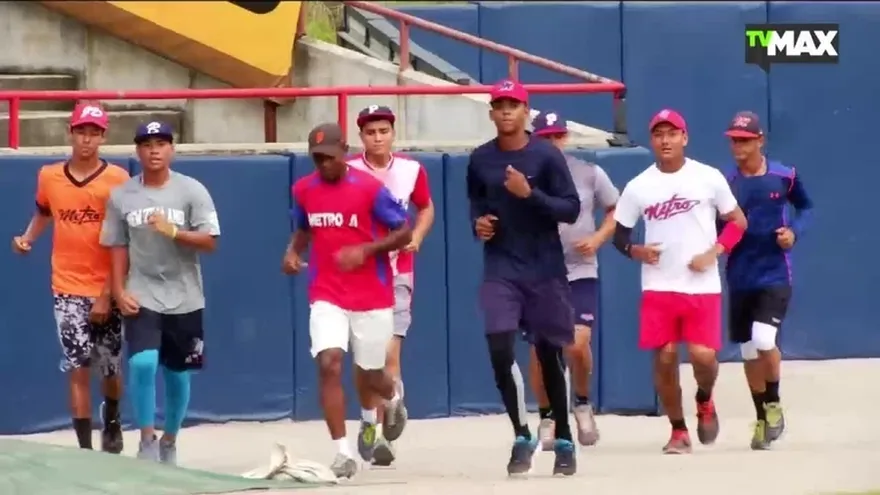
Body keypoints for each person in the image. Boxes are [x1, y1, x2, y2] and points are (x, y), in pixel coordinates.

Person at [611, 109, 748, 454]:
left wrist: (714, 251)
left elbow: (737, 222)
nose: (665, 140)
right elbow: (619, 236)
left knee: (703, 356)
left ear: (684, 138)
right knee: (666, 356)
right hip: (658, 285)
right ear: (652, 141)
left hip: (701, 285)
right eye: (659, 134)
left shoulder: (708, 177)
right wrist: (636, 250)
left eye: (672, 134)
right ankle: (677, 429)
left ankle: (705, 398)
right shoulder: (639, 186)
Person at [283, 122, 411, 479]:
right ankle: (343, 453)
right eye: (317, 159)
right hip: (326, 292)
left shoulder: (369, 188)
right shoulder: (304, 189)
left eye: (330, 157)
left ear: (345, 151)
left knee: (370, 375)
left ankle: (394, 397)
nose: (323, 165)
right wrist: (293, 252)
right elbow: (303, 228)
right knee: (329, 362)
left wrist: (366, 250)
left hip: (372, 294)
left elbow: (404, 230)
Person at [467, 80, 581, 476]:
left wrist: (528, 193)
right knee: (499, 347)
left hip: (544, 269)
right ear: (491, 112)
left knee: (550, 354)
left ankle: (564, 438)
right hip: (501, 267)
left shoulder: (546, 156)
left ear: (524, 111)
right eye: (498, 105)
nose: (505, 111)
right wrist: (478, 224)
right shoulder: (481, 159)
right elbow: (476, 205)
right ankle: (521, 434)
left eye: (512, 105)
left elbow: (570, 209)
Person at [100, 121, 221, 465]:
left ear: (172, 149)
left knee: (177, 372)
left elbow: (210, 241)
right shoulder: (122, 195)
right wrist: (118, 290)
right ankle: (147, 439)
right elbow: (117, 245)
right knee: (142, 362)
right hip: (143, 290)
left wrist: (174, 231)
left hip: (185, 294)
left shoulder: (192, 190)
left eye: (161, 143)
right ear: (137, 151)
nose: (154, 150)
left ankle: (170, 438)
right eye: (147, 144)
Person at [12, 102, 128, 453]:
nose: (87, 140)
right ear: (71, 132)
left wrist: (108, 292)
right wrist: (28, 238)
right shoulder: (49, 175)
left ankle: (112, 420)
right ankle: (84, 450)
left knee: (109, 367)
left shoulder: (118, 179)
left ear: (103, 137)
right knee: (77, 366)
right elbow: (45, 211)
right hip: (66, 285)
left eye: (94, 133)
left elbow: (126, 241)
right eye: (82, 132)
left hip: (106, 284)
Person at [346, 105, 435, 466]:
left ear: (393, 133)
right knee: (364, 355)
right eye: (371, 132)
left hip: (398, 270)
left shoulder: (412, 169)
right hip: (361, 273)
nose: (378, 137)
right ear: (361, 137)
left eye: (383, 131)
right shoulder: (349, 171)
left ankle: (386, 431)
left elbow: (426, 207)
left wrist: (417, 235)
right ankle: (368, 422)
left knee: (389, 352)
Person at [527, 110, 619, 450]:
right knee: (542, 349)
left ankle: (581, 402)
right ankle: (548, 415)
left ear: (565, 138)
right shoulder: (523, 176)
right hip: (539, 273)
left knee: (578, 342)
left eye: (557, 136)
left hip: (580, 269)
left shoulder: (588, 173)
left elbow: (615, 209)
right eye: (545, 137)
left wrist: (597, 238)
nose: (552, 143)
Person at [722, 111, 813, 450]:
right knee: (747, 351)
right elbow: (718, 227)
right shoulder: (726, 185)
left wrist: (793, 232)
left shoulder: (784, 176)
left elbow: (806, 208)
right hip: (739, 275)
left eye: (745, 140)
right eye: (734, 140)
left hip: (774, 273)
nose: (738, 147)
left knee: (763, 338)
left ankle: (774, 405)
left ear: (760, 140)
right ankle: (761, 418)